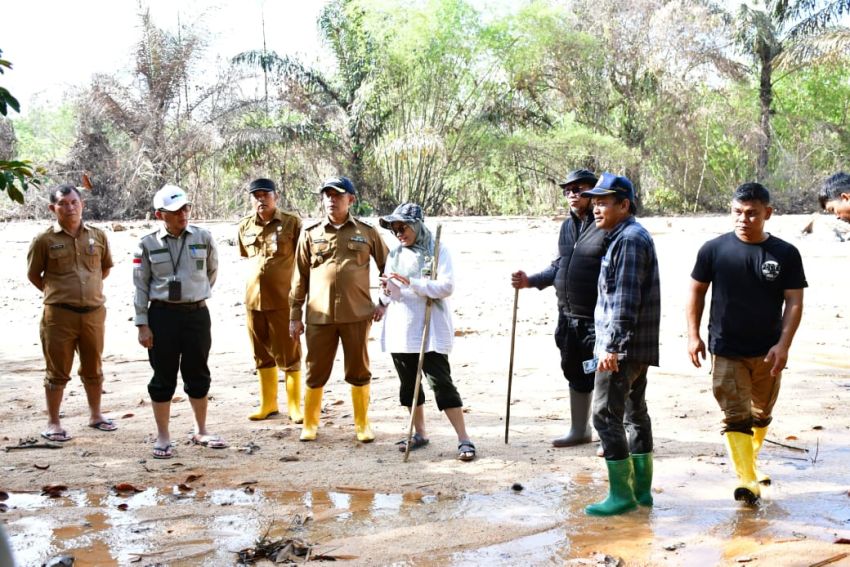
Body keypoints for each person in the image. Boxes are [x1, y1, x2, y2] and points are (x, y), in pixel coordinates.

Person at [687, 182, 806, 505]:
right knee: (734, 414)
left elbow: (794, 302)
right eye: (738, 212)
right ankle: (746, 480)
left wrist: (784, 345)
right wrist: (693, 335)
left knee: (761, 413)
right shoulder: (713, 249)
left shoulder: (785, 253)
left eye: (752, 213)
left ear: (768, 213)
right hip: (725, 348)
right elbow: (696, 291)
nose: (744, 219)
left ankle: (750, 463)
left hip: (768, 351)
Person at [580, 173, 660, 516]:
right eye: (594, 203)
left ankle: (622, 495)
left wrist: (612, 347)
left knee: (603, 413)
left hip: (622, 347)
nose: (596, 209)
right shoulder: (625, 236)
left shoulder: (629, 239)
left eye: (603, 202)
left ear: (624, 205)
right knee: (634, 413)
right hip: (635, 346)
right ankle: (641, 493)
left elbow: (625, 299)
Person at [289, 176, 389, 442]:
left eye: (338, 195)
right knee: (315, 369)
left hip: (357, 315)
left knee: (358, 369)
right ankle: (310, 424)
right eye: (327, 195)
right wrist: (294, 316)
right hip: (319, 315)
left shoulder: (367, 232)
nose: (331, 200)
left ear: (351, 200)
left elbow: (390, 267)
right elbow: (299, 277)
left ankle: (362, 424)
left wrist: (383, 302)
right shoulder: (310, 234)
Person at [511, 169, 605, 448]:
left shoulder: (604, 224)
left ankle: (609, 434)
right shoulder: (567, 226)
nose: (573, 194)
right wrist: (530, 281)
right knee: (574, 370)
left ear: (593, 192)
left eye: (579, 189)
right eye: (568, 190)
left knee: (605, 374)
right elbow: (558, 266)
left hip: (596, 317)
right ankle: (580, 430)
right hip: (567, 316)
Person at [376, 203, 476, 461]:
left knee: (441, 383)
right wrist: (385, 292)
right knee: (409, 385)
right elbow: (390, 292)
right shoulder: (395, 254)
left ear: (417, 225)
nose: (399, 233)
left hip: (429, 329)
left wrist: (413, 283)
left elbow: (446, 286)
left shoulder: (437, 249)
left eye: (404, 227)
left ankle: (464, 438)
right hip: (400, 328)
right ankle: (420, 433)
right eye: (395, 229)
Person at [133, 184, 226, 459]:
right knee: (163, 377)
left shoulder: (203, 237)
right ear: (160, 215)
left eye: (186, 208)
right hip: (162, 316)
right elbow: (140, 285)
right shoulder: (147, 244)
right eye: (175, 211)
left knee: (198, 373)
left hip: (197, 315)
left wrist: (193, 294)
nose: (183, 214)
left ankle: (201, 429)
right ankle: (163, 436)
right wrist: (142, 324)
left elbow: (211, 272)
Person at [27, 184, 117, 442]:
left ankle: (96, 415)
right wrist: (59, 293)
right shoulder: (44, 240)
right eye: (63, 203)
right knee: (57, 370)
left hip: (93, 313)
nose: (70, 207)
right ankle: (53, 423)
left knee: (93, 366)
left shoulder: (98, 236)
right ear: (52, 208)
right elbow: (34, 275)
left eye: (74, 202)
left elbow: (105, 268)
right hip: (59, 316)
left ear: (82, 204)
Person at [237, 178, 303, 422]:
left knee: (290, 352)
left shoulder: (291, 223)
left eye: (265, 194)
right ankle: (268, 404)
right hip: (253, 302)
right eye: (256, 196)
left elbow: (302, 259)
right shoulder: (244, 226)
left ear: (276, 196)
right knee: (261, 353)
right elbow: (247, 256)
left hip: (282, 300)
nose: (261, 199)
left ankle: (295, 407)